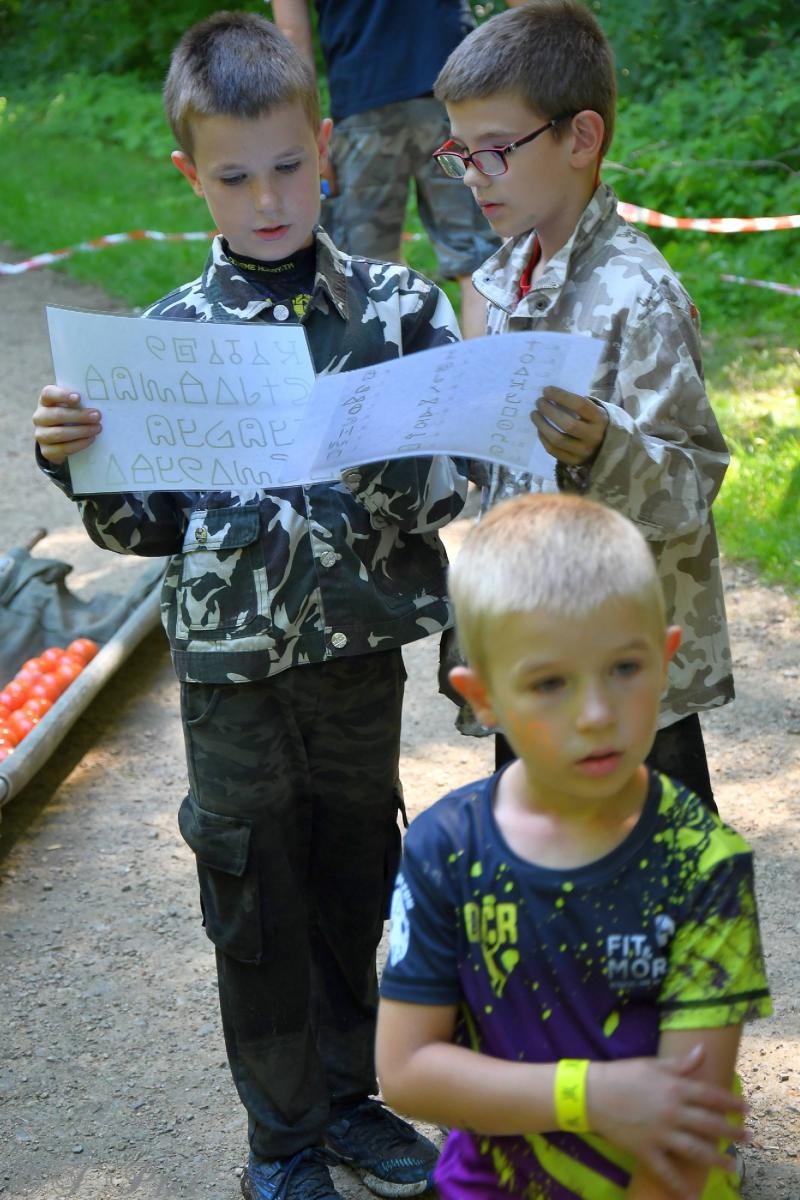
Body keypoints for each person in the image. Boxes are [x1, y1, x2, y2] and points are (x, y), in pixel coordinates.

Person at [32, 12, 470, 1200]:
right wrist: (81, 460)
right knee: (254, 900)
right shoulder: (165, 344)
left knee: (351, 882)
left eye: (286, 165)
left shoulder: (398, 311)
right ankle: (279, 1142)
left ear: (325, 147)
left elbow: (448, 491)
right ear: (192, 177)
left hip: (353, 664)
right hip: (229, 679)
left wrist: (437, 438)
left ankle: (351, 1101)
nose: (267, 197)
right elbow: (143, 532)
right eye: (234, 176)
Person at [377, 492, 772, 1200]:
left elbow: (684, 1136)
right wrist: (589, 1096)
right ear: (484, 700)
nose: (596, 715)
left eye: (624, 668)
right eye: (550, 683)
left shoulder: (704, 862)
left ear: (667, 660)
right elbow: (406, 1072)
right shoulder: (444, 849)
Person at [431, 0, 733, 810]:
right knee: (536, 891)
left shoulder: (639, 293)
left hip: (622, 681)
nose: (470, 176)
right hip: (530, 652)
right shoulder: (500, 279)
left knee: (656, 898)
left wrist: (607, 447)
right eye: (461, 151)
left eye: (494, 151)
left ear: (581, 138)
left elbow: (693, 481)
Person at [270, 0, 502, 338]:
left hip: (362, 98)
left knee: (370, 271)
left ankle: (395, 382)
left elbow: (291, 34)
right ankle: (489, 385)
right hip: (450, 88)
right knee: (477, 263)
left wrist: (308, 141)